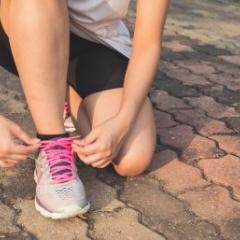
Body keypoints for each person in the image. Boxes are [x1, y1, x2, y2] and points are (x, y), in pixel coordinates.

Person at [0, 0, 169, 219]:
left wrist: (122, 121)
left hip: (93, 43)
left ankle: (62, 91)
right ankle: (53, 143)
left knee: (131, 158)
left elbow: (148, 43)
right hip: (23, 24)